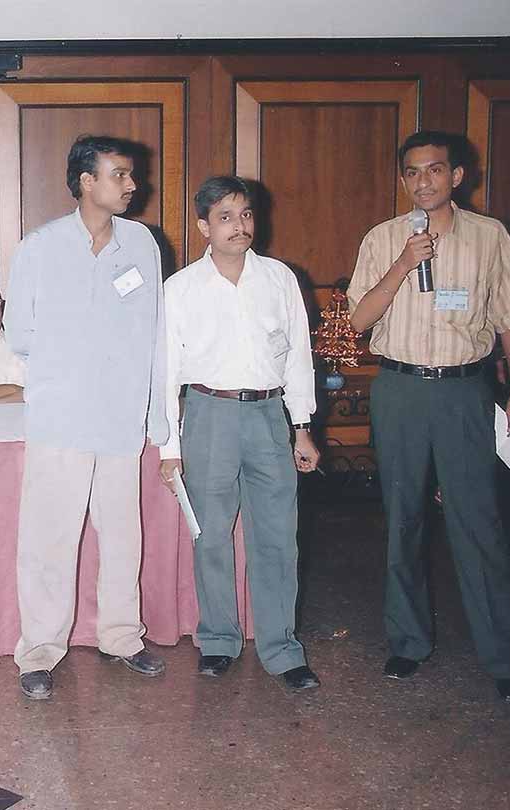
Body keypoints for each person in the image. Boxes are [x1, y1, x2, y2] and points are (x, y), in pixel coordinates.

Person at [348, 130, 510, 702]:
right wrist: (404, 263)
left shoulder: (489, 236)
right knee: (402, 519)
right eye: (412, 172)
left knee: (479, 522)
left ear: (456, 176)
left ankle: (505, 657)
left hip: (464, 392)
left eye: (434, 169)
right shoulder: (383, 238)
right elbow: (358, 320)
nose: (422, 181)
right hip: (400, 390)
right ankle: (408, 642)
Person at [5, 134, 170, 700]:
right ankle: (39, 651)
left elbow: (155, 331)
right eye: (119, 174)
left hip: (121, 417)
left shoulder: (142, 243)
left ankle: (122, 637)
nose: (132, 185)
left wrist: (155, 415)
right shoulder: (41, 246)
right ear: (86, 181)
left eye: (131, 175)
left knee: (123, 536)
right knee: (49, 539)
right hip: (61, 419)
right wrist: (73, 366)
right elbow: (20, 335)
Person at [159, 175, 321, 691]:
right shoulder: (180, 289)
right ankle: (218, 640)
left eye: (246, 214)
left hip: (269, 416)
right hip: (208, 415)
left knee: (277, 536)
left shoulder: (279, 279)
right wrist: (169, 447)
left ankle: (281, 648)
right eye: (225, 217)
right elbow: (165, 374)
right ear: (203, 227)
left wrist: (302, 427)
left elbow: (298, 357)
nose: (239, 225)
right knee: (210, 535)